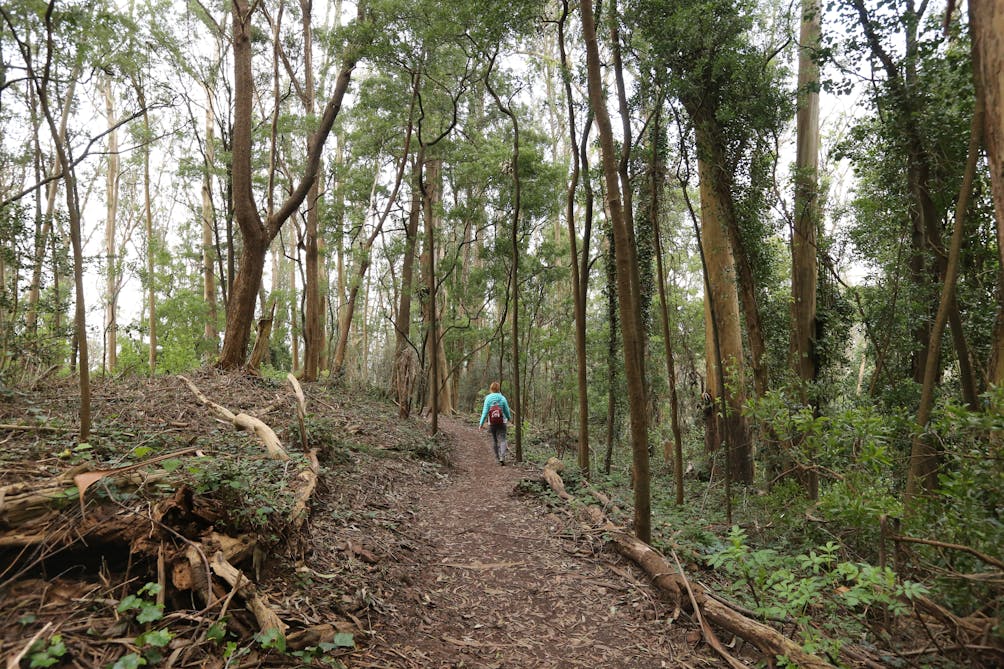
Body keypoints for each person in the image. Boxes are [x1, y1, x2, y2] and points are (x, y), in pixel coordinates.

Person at [478, 381, 512, 465]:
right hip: (502, 422)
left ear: (491, 389)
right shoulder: (502, 398)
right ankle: (502, 457)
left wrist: (481, 424)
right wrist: (509, 418)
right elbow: (506, 410)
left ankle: (497, 458)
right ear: (498, 389)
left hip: (492, 423)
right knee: (503, 439)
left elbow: (485, 412)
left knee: (495, 440)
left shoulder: (488, 398)